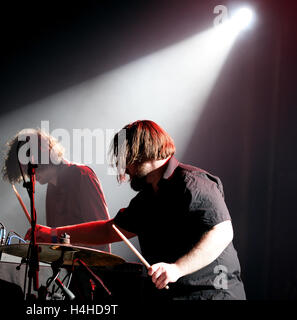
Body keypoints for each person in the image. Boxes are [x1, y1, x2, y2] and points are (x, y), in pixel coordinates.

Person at [28, 120, 246, 300]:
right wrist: (51, 234)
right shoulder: (147, 198)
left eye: (124, 158)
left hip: (212, 293)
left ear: (140, 151)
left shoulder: (191, 182)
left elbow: (222, 231)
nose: (123, 169)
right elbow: (109, 230)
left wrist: (176, 269)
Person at [2, 128, 111, 252]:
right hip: (67, 268)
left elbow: (103, 233)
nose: (30, 175)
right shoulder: (51, 189)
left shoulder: (82, 175)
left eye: (30, 168)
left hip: (90, 268)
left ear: (42, 155)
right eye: (27, 172)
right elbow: (56, 241)